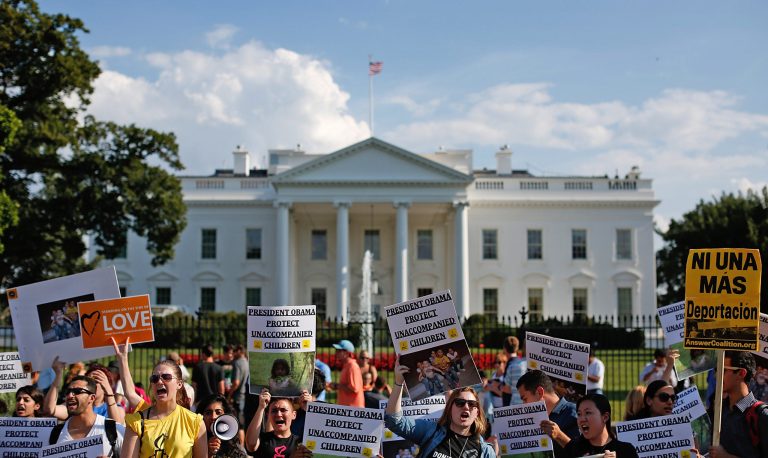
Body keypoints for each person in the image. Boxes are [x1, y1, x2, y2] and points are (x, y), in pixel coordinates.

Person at [385, 356, 497, 458]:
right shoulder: (431, 431)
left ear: (477, 412)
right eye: (460, 402)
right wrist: (399, 383)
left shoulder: (485, 451)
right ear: (450, 408)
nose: (466, 407)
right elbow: (395, 422)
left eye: (472, 404)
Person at [122, 358, 207, 457]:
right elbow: (129, 393)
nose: (159, 382)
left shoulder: (195, 422)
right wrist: (122, 357)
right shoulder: (136, 422)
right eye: (154, 378)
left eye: (166, 377)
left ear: (179, 384)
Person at [48, 375, 125, 457]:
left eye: (77, 391)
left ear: (91, 398)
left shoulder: (114, 430)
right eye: (68, 392)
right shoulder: (56, 433)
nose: (70, 396)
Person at [710, 351, 768, 458]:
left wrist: (726, 456)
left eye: (722, 370)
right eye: (715, 370)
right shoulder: (720, 411)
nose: (716, 375)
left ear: (741, 373)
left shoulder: (761, 415)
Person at [43, 356, 125, 424]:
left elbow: (117, 425)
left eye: (96, 381)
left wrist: (109, 391)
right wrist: (58, 375)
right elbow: (50, 409)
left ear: (107, 385)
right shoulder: (76, 406)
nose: (92, 385)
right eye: (89, 381)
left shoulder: (117, 409)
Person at [517, 370, 579, 457]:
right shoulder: (536, 419)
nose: (524, 405)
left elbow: (583, 453)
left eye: (525, 399)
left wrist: (559, 435)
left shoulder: (574, 413)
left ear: (539, 392)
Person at [563, 393, 639, 457]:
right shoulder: (571, 449)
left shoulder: (626, 451)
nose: (582, 419)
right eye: (579, 414)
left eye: (588, 413)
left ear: (605, 417)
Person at [245, 389, 308, 458]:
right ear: (268, 415)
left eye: (283, 410)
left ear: (294, 415)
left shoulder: (299, 443)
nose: (278, 414)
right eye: (274, 411)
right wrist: (261, 407)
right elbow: (250, 445)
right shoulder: (263, 440)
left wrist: (309, 409)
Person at [332, 339, 364, 407]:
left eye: (339, 351)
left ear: (347, 353)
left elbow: (354, 389)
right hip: (348, 409)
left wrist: (336, 386)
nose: (336, 353)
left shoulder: (352, 366)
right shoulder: (347, 365)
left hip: (353, 410)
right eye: (336, 350)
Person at [193, 344, 225, 409]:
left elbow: (194, 386)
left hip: (201, 401)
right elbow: (221, 388)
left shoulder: (198, 367)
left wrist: (194, 401)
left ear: (203, 354)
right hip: (214, 402)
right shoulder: (219, 368)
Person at [227, 344, 249, 424]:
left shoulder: (237, 363)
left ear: (239, 351)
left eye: (235, 352)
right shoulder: (247, 362)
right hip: (245, 395)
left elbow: (236, 382)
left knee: (238, 424)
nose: (233, 354)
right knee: (243, 423)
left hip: (238, 396)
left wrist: (229, 395)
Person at [501, 336, 526, 406]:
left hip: (514, 406)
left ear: (504, 348)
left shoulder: (512, 366)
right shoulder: (523, 364)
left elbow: (507, 389)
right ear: (517, 348)